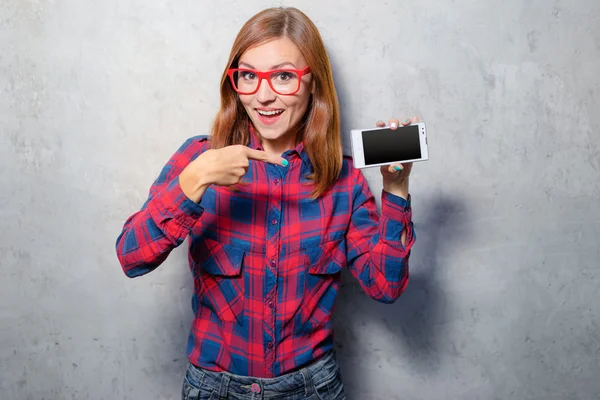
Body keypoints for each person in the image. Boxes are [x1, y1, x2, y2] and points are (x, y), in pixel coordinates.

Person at [116, 6, 416, 400]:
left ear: (314, 84)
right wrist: (195, 178)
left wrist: (396, 188)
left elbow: (386, 286)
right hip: (215, 388)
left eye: (284, 76)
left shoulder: (342, 180)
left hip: (312, 388)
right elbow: (131, 258)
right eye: (248, 76)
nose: (263, 95)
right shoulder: (199, 158)